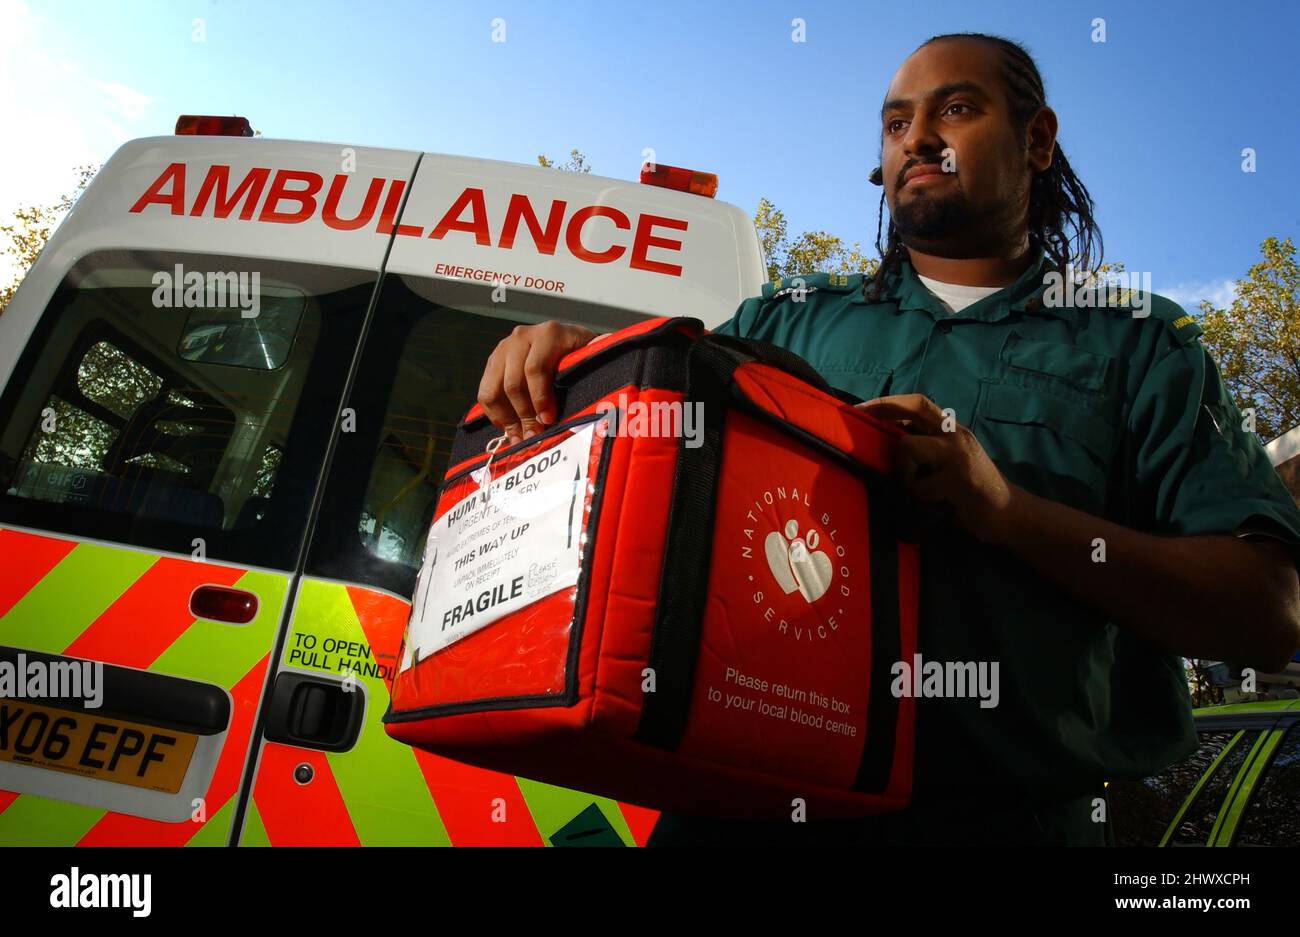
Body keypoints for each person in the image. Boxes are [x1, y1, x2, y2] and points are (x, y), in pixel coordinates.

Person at [473, 32, 1300, 845]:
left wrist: (1007, 513)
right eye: (896, 123)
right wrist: (571, 365)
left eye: (958, 108)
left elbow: (1266, 613)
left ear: (1038, 139)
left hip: (1006, 822)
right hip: (735, 812)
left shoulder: (1142, 346)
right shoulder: (780, 320)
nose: (919, 138)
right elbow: (651, 463)